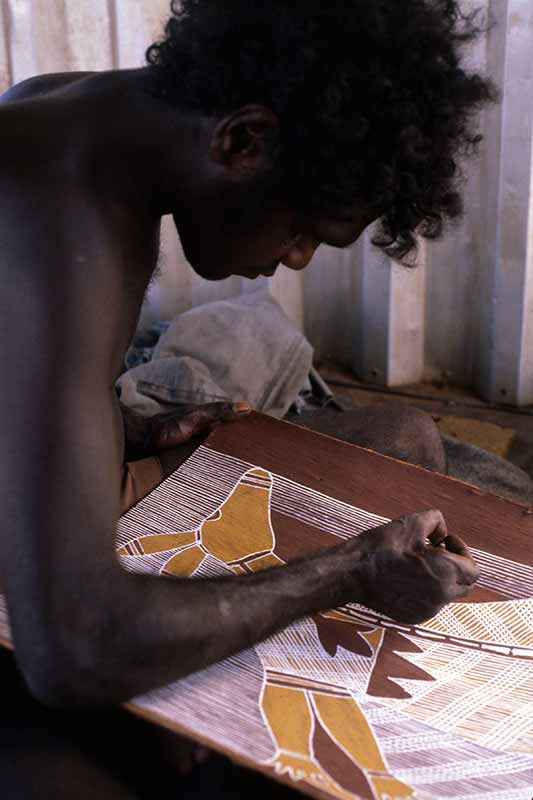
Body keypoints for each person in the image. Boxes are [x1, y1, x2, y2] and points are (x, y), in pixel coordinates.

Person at [0, 1, 495, 797]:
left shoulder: (70, 111)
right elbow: (73, 650)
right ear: (241, 140)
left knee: (401, 443)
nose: (291, 260)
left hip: (47, 507)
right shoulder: (53, 213)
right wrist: (352, 572)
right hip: (46, 607)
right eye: (304, 230)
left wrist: (119, 425)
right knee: (151, 768)